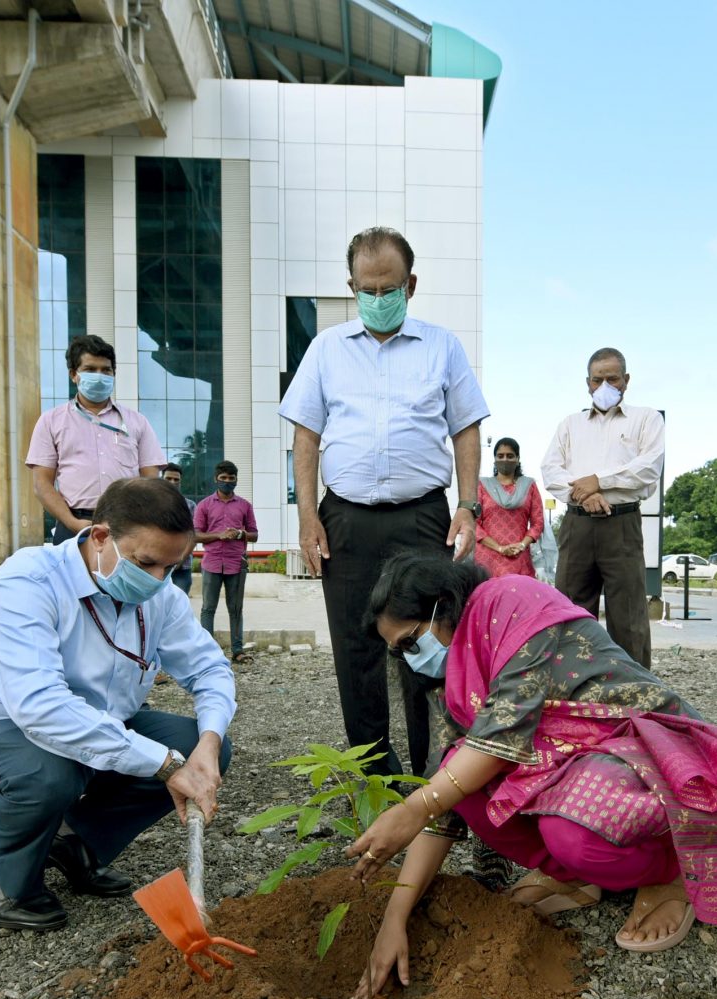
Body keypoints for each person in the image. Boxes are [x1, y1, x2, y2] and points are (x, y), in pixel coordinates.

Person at [344, 554, 717, 998]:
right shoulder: (449, 680)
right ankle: (576, 875)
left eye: (411, 641)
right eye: (398, 651)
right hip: (561, 761)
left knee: (571, 834)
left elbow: (502, 736)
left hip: (631, 741)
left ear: (441, 606)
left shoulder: (510, 601)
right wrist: (394, 917)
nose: (409, 658)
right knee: (464, 785)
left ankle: (673, 870)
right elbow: (444, 794)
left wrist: (412, 807)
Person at [0, 477, 235, 932]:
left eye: (170, 567)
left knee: (197, 746)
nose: (157, 581)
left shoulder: (160, 595)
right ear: (101, 536)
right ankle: (3, 871)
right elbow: (41, 709)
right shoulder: (26, 582)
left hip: (95, 731)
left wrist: (206, 747)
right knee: (52, 769)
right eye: (145, 563)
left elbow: (209, 669)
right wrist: (167, 765)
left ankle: (73, 842)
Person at [279, 226, 489, 776]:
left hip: (422, 518)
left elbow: (467, 428)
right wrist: (307, 517)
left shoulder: (442, 346)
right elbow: (306, 437)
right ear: (352, 287)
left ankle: (434, 770)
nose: (377, 299)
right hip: (344, 518)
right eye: (366, 290)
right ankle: (376, 775)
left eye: (388, 287)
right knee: (356, 647)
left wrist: (468, 504)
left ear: (410, 284)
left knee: (430, 643)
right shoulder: (326, 349)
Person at [541, 348, 665, 669]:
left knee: (628, 614)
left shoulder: (646, 419)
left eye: (612, 378)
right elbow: (551, 471)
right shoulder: (570, 424)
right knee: (570, 608)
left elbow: (648, 469)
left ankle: (634, 692)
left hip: (621, 525)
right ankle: (572, 684)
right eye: (598, 379)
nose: (605, 385)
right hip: (577, 525)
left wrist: (599, 481)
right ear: (587, 383)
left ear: (626, 380)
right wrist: (585, 494)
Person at [27, 335, 165, 545]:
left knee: (124, 578)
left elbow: (150, 478)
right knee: (73, 578)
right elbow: (42, 483)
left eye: (106, 370)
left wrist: (139, 519)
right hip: (73, 525)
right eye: (90, 369)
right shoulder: (51, 421)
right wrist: (72, 522)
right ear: (74, 374)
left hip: (126, 525)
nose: (99, 376)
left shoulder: (137, 422)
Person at [194, 460, 258, 663]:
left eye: (231, 478)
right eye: (223, 478)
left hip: (236, 564)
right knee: (208, 608)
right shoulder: (204, 505)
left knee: (236, 608)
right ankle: (207, 652)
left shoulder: (245, 506)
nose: (227, 482)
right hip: (212, 563)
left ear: (236, 480)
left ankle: (238, 651)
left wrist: (240, 534)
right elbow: (196, 535)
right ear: (216, 479)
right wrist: (218, 535)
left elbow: (255, 535)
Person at [475, 437, 545, 579]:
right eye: (500, 456)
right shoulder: (482, 486)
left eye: (510, 456)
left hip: (519, 557)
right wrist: (499, 548)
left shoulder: (529, 486)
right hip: (488, 558)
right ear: (494, 459)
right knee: (489, 598)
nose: (505, 459)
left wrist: (521, 545)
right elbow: (474, 524)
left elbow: (538, 523)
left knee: (517, 598)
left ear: (518, 459)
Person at [160, 463, 194, 595]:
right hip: (156, 564)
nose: (172, 482)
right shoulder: (151, 504)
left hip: (182, 567)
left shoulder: (190, 506)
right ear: (161, 479)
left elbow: (192, 537)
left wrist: (179, 560)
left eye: (176, 479)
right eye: (168, 479)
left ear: (180, 482)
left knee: (179, 606)